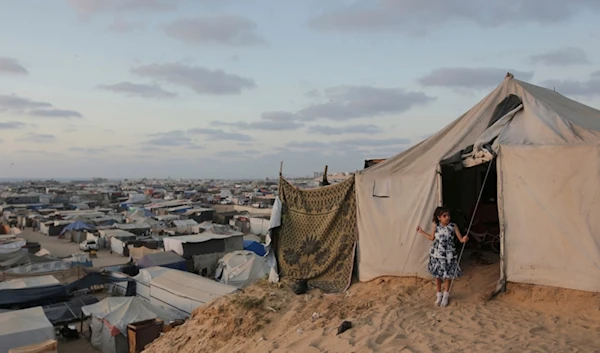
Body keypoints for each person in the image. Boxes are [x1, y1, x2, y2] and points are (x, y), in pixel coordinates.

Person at [417, 206, 468, 307]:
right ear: (439, 217)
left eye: (448, 215)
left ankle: (446, 295)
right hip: (437, 254)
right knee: (438, 276)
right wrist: (421, 232)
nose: (447, 217)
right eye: (444, 216)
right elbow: (432, 238)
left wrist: (465, 239)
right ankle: (439, 295)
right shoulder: (436, 226)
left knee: (448, 276)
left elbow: (461, 239)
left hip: (449, 255)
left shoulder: (453, 226)